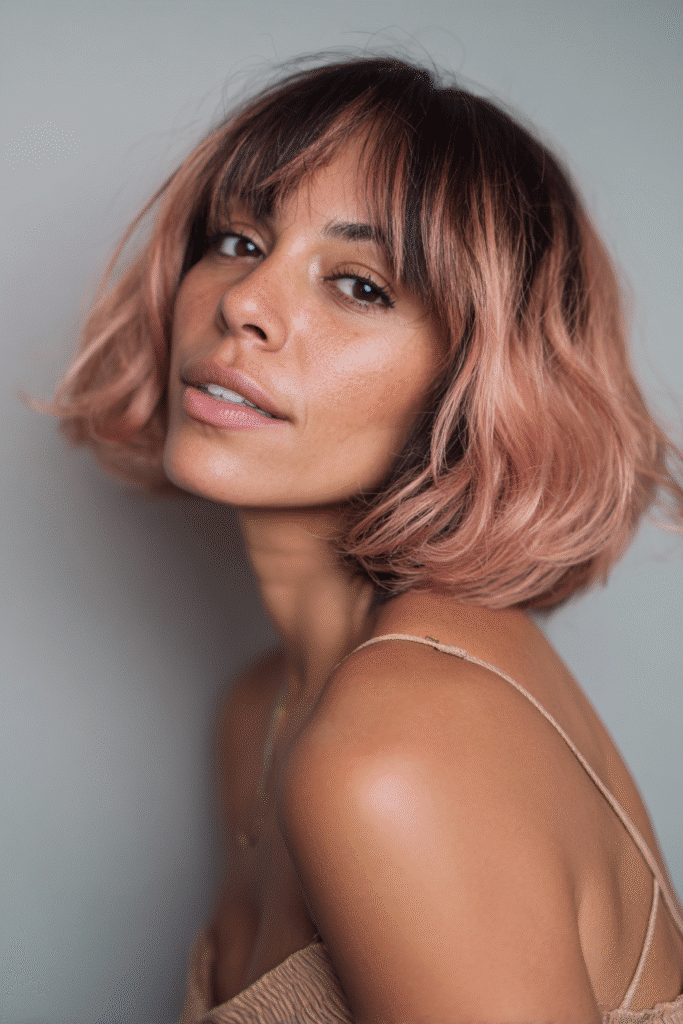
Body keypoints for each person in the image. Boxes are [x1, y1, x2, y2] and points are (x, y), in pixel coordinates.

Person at [44, 55, 683, 1023]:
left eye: (358, 285)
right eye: (236, 237)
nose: (242, 303)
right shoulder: (259, 712)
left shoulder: (394, 748)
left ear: (475, 378)